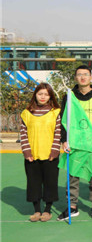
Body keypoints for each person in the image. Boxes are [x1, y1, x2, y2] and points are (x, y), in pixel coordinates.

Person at [57, 65, 92, 221]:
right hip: (74, 143)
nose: (83, 77)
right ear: (75, 78)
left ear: (91, 77)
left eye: (86, 74)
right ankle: (72, 206)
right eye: (79, 74)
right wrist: (64, 140)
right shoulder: (69, 96)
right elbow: (63, 120)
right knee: (73, 177)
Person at [20, 83, 61, 222]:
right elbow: (23, 134)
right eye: (40, 94)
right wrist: (27, 152)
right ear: (35, 95)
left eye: (46, 94)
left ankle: (47, 210)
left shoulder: (55, 112)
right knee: (33, 183)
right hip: (32, 155)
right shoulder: (26, 113)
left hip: (50, 155)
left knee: (50, 183)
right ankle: (37, 210)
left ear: (50, 96)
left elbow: (58, 133)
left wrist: (54, 151)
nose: (43, 97)